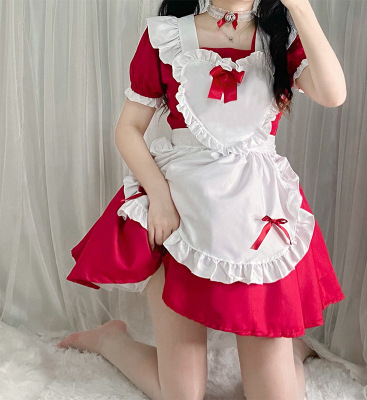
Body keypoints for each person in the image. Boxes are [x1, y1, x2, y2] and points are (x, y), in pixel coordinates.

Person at [57, 0, 347, 399]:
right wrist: (160, 198)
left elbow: (334, 94)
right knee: (182, 395)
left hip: (255, 215)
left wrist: (299, 7)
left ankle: (289, 353)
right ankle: (111, 339)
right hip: (182, 211)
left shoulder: (280, 39)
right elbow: (128, 128)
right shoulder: (168, 37)